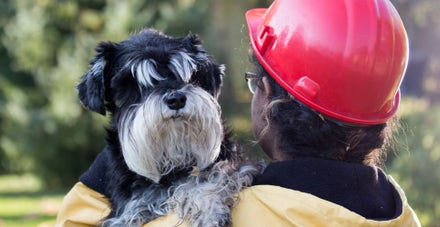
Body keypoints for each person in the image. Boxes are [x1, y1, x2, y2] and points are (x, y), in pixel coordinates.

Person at [56, 0, 421, 226]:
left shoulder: (216, 214)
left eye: (253, 82)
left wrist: (115, 156)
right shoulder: (400, 214)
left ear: (269, 101)